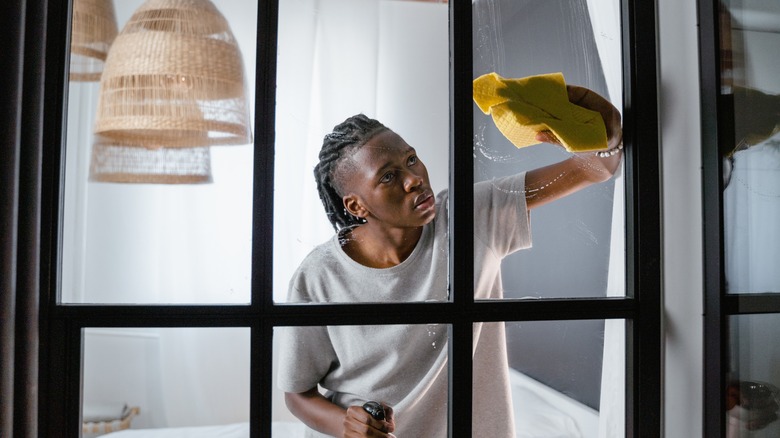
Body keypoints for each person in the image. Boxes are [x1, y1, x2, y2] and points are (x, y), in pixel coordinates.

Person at [276, 85, 623, 438]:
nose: (414, 179)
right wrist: (345, 424)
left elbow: (599, 167)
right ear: (355, 206)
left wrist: (593, 120)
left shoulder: (470, 217)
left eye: (411, 159)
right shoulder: (318, 275)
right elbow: (297, 393)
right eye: (388, 176)